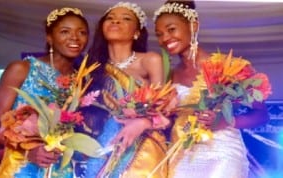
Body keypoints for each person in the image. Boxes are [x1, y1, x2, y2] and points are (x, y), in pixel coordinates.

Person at [154, 1, 270, 178]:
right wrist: (162, 117)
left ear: (194, 26)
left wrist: (224, 121)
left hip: (222, 154)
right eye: (159, 34)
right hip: (182, 154)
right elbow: (168, 121)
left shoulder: (229, 65)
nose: (165, 38)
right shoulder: (169, 75)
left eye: (171, 29)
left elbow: (261, 115)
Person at [0, 7, 89, 178]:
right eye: (65, 31)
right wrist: (28, 149)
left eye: (82, 32)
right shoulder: (22, 69)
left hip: (61, 167)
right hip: (21, 166)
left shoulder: (80, 81)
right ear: (49, 38)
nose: (75, 38)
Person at [83, 2, 168, 178]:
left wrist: (143, 122)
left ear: (137, 32)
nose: (116, 22)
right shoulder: (92, 68)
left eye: (125, 19)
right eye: (110, 18)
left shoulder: (149, 60)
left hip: (141, 145)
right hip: (103, 147)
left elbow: (162, 107)